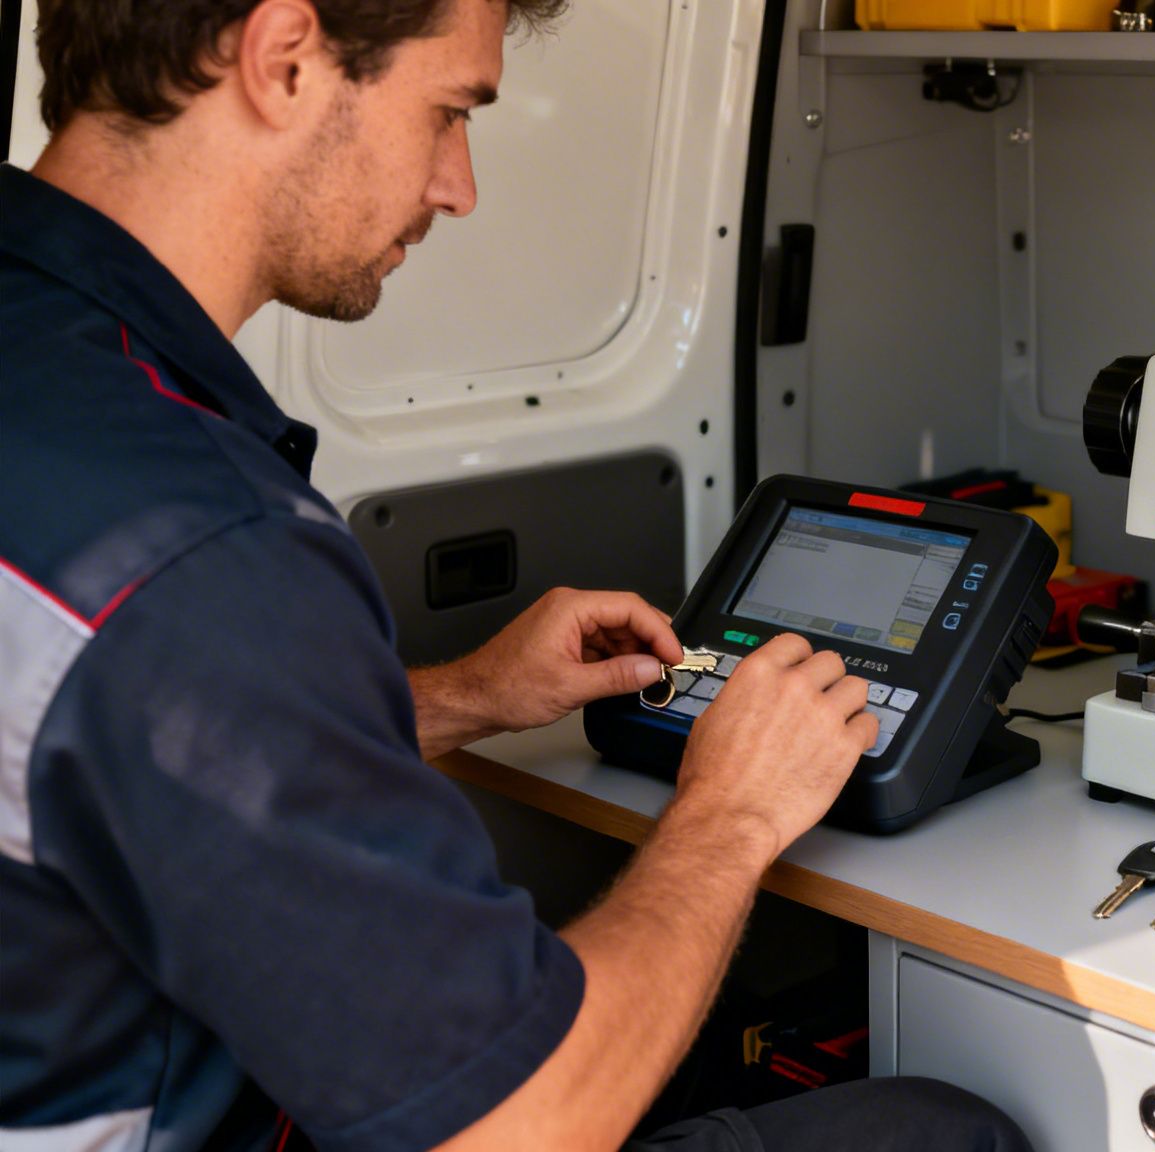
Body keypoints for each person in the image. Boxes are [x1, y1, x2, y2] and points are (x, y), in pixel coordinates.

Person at [0, 2, 1032, 1150]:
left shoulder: (47, 382)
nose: (459, 186)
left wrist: (464, 697)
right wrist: (730, 817)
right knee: (947, 1132)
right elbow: (520, 1130)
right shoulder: (198, 544)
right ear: (282, 59)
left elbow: (105, 737)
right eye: (447, 113)